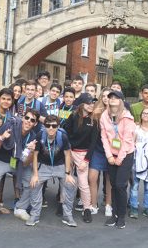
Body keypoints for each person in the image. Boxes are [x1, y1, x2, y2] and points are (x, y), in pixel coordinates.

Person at [0, 109, 39, 223]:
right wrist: (2, 137)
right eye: (27, 118)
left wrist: (32, 152)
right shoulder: (10, 126)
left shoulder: (33, 137)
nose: (28, 121)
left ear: (35, 123)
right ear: (23, 118)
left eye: (32, 120)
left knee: (33, 182)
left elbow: (24, 163)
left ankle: (20, 208)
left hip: (16, 163)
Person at [27, 115, 77, 227]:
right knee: (34, 184)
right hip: (44, 165)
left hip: (60, 165)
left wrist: (68, 174)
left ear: (57, 126)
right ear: (44, 126)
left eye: (54, 126)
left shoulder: (62, 136)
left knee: (70, 184)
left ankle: (67, 215)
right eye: (48, 125)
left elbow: (67, 154)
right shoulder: (40, 135)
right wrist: (35, 174)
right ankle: (35, 214)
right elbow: (35, 156)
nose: (51, 128)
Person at [100, 90, 135, 229]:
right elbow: (104, 136)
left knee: (120, 185)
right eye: (110, 97)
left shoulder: (127, 117)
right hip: (111, 155)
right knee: (114, 185)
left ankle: (121, 216)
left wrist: (120, 158)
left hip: (125, 155)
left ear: (121, 100)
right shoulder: (104, 116)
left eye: (115, 97)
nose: (112, 99)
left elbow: (127, 140)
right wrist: (109, 155)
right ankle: (114, 214)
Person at [63, 93, 98, 223]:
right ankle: (64, 205)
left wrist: (86, 160)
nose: (91, 105)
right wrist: (68, 153)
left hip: (83, 154)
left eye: (93, 103)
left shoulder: (94, 120)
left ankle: (87, 209)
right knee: (67, 180)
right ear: (82, 104)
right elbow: (65, 133)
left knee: (83, 183)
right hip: (70, 152)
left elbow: (93, 143)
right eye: (89, 103)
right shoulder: (73, 116)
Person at [129, 108, 148, 219]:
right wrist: (145, 145)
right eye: (144, 113)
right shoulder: (136, 128)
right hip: (136, 159)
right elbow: (132, 143)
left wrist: (141, 145)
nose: (146, 115)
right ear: (141, 115)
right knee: (135, 185)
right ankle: (133, 208)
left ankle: (147, 208)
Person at [88, 88, 113, 218]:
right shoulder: (96, 111)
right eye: (103, 96)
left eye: (108, 96)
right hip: (97, 149)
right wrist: (93, 115)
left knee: (109, 179)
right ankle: (93, 204)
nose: (105, 98)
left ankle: (108, 205)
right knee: (92, 177)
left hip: (111, 149)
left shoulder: (117, 113)